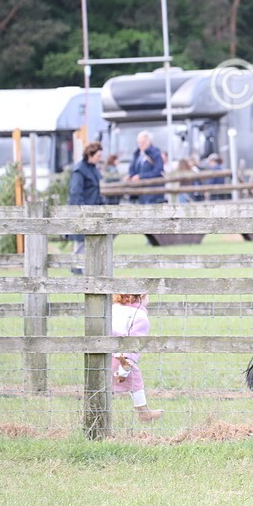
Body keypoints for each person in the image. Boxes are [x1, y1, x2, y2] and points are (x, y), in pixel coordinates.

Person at [109, 292, 163, 422]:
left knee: (104, 384)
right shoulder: (139, 316)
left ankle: (97, 411)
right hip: (122, 355)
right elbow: (135, 342)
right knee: (135, 381)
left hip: (104, 352)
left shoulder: (111, 309)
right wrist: (128, 360)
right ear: (139, 297)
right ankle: (143, 412)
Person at [67, 142, 105, 273]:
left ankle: (87, 272)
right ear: (90, 154)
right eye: (98, 155)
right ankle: (77, 273)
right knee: (80, 243)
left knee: (91, 243)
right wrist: (81, 212)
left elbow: (96, 192)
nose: (100, 158)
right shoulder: (79, 170)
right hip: (81, 212)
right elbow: (75, 193)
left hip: (93, 212)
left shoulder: (93, 169)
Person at [126, 131, 165, 204]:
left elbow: (157, 171)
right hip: (139, 192)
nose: (140, 145)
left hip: (152, 192)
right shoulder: (137, 154)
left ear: (149, 142)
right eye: (139, 142)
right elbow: (132, 169)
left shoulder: (155, 154)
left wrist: (141, 176)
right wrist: (130, 175)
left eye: (142, 142)